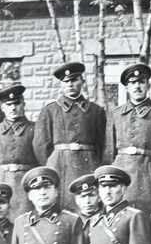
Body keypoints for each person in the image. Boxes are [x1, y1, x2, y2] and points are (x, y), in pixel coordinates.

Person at [104, 62, 151, 213]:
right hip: (121, 174)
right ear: (127, 87)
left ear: (148, 85)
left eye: (141, 82)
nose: (137, 87)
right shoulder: (116, 114)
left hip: (148, 175)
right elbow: (109, 151)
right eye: (132, 83)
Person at [33, 61, 107, 211]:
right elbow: (41, 145)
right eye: (66, 81)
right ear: (61, 85)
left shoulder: (96, 111)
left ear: (82, 81)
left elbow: (102, 143)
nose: (70, 84)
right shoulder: (50, 110)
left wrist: (95, 163)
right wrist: (53, 162)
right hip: (59, 166)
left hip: (88, 165)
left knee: (88, 206)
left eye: (74, 80)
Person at [0, 84, 38, 217]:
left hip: (26, 184)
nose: (13, 108)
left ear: (23, 104)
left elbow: (41, 159)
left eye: (17, 103)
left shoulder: (35, 129)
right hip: (3, 181)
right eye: (8, 105)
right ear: (2, 107)